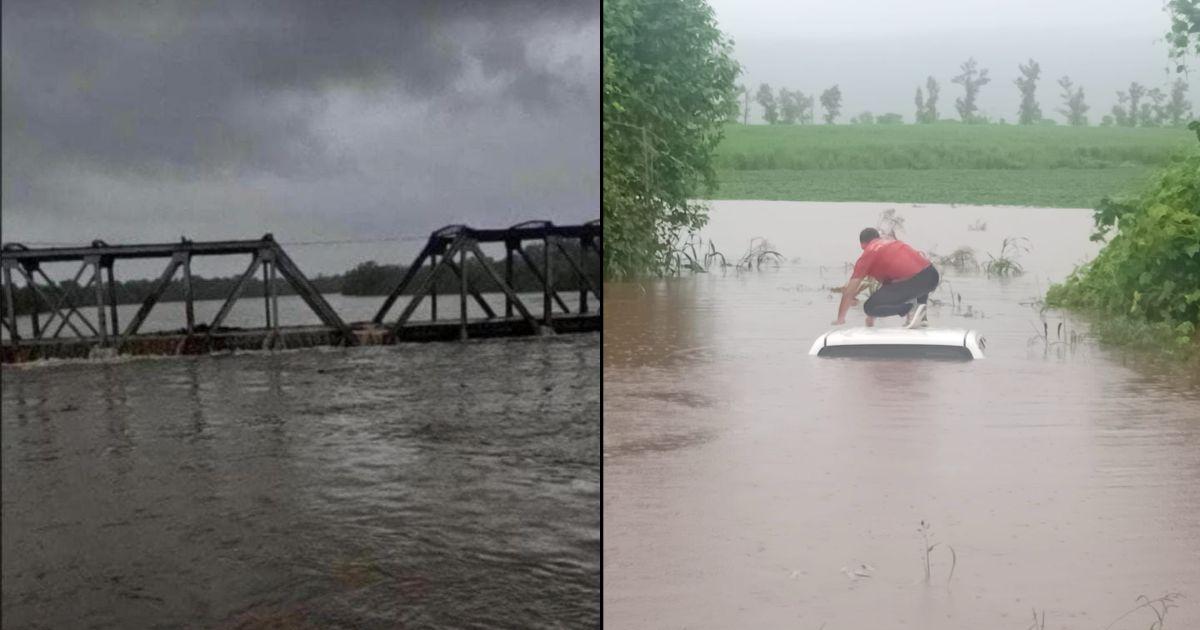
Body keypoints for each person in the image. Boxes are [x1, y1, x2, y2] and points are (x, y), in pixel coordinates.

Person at [832, 227, 939, 328]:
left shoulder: (868, 254)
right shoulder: (892, 242)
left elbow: (849, 292)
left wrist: (840, 319)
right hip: (932, 276)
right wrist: (872, 318)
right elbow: (888, 289)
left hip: (913, 282)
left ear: (862, 245)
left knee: (869, 307)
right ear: (878, 238)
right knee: (918, 277)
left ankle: (909, 308)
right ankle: (921, 316)